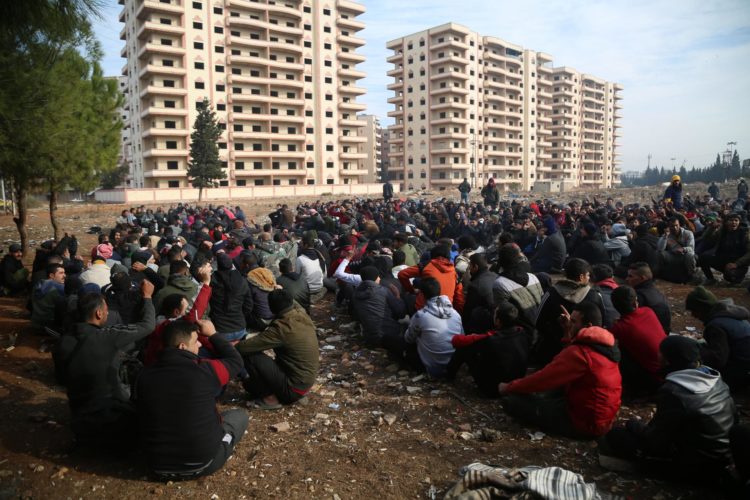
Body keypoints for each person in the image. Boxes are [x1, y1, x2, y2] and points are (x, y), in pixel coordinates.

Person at [599, 336, 736, 478]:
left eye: (660, 353)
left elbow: (653, 441)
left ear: (668, 360)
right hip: (724, 453)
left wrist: (633, 424)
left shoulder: (675, 392)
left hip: (696, 465)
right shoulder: (715, 379)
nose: (657, 355)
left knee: (615, 435)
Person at [137, 319, 247, 479]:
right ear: (182, 346)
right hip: (203, 463)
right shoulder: (205, 371)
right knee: (239, 416)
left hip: (156, 465)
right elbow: (236, 361)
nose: (200, 345)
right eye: (196, 342)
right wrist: (213, 334)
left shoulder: (143, 376)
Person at [54, 281, 155, 448]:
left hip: (79, 414)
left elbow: (61, 379)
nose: (108, 314)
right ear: (99, 313)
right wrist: (147, 297)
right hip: (113, 415)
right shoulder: (108, 336)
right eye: (107, 311)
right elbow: (147, 325)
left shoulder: (63, 342)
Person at [499, 302, 622, 438]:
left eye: (573, 322)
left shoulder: (581, 353)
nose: (569, 323)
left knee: (513, 401)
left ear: (588, 326)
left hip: (585, 424)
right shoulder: (605, 344)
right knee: (544, 392)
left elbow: (543, 379)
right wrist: (568, 332)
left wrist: (509, 387)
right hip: (600, 417)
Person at [236, 289, 319, 409]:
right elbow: (292, 302)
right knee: (249, 386)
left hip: (293, 388)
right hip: (305, 383)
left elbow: (242, 348)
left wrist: (229, 343)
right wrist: (279, 291)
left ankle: (270, 399)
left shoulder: (281, 328)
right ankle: (272, 392)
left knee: (249, 354)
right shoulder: (301, 313)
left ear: (272, 308)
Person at [448, 301, 530, 398]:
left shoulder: (489, 339)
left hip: (493, 390)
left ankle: (448, 376)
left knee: (465, 348)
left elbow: (456, 341)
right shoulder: (522, 332)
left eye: (494, 314)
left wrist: (472, 337)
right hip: (516, 383)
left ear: (498, 321)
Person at [534, 258, 607, 366]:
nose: (589, 278)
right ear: (581, 277)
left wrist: (553, 333)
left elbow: (538, 321)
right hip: (583, 350)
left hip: (551, 348)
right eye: (588, 275)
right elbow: (601, 322)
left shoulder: (551, 293)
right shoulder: (594, 296)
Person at [685, 286, 750, 389]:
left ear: (703, 308)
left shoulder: (716, 326)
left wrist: (696, 349)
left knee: (690, 372)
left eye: (694, 311)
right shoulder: (731, 315)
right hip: (744, 366)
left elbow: (718, 360)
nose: (693, 315)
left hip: (741, 372)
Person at [610, 285, 666, 395]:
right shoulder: (648, 311)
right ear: (636, 303)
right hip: (669, 371)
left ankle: (636, 389)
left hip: (656, 379)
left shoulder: (619, 328)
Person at [403, 277, 463, 377]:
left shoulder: (421, 316)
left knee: (393, 341)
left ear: (422, 295)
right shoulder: (455, 314)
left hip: (431, 367)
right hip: (452, 365)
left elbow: (408, 339)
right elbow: (462, 337)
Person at [398, 243, 464, 313]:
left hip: (423, 310)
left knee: (408, 297)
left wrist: (412, 290)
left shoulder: (427, 265)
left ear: (432, 256)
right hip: (446, 314)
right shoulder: (455, 273)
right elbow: (459, 300)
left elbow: (402, 274)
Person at [351, 266, 406, 349]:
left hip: (368, 337)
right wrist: (398, 297)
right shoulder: (383, 291)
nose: (379, 278)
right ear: (375, 277)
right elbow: (401, 313)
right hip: (388, 335)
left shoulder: (355, 294)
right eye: (378, 276)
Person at [209, 253, 253, 342]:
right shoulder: (242, 281)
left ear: (218, 266)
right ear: (231, 265)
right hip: (240, 328)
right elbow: (248, 305)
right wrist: (239, 316)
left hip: (220, 330)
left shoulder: (211, 282)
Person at [698, 212, 750, 285]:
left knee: (730, 276)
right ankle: (710, 279)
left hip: (738, 263)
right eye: (731, 220)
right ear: (726, 222)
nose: (734, 222)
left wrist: (737, 264)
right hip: (724, 260)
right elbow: (707, 239)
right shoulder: (722, 231)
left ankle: (737, 278)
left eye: (736, 220)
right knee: (703, 258)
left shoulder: (745, 233)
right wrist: (712, 228)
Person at [625, 262, 671, 333]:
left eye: (630, 276)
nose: (627, 279)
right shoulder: (656, 292)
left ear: (642, 278)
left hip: (651, 334)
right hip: (663, 332)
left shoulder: (638, 296)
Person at [462, 253, 498, 333]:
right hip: (497, 318)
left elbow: (467, 312)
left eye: (470, 266)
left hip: (484, 325)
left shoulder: (474, 286)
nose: (468, 268)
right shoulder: (495, 275)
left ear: (476, 267)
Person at [657, 216, 697, 283]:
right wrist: (665, 236)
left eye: (676, 225)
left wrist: (683, 249)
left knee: (689, 255)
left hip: (685, 254)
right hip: (673, 255)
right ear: (669, 227)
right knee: (660, 254)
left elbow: (691, 248)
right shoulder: (667, 235)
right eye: (672, 226)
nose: (675, 228)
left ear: (679, 225)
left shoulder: (688, 233)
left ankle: (691, 275)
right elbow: (660, 249)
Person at [30, 263, 67, 331]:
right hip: (50, 327)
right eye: (61, 273)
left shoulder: (38, 284)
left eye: (64, 273)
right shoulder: (59, 288)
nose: (64, 275)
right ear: (51, 275)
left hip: (35, 324)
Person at [296, 233, 327, 303]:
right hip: (319, 286)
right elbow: (324, 275)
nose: (300, 244)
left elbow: (297, 277)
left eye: (301, 243)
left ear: (306, 245)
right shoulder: (320, 256)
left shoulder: (300, 259)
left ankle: (307, 298)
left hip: (307, 289)